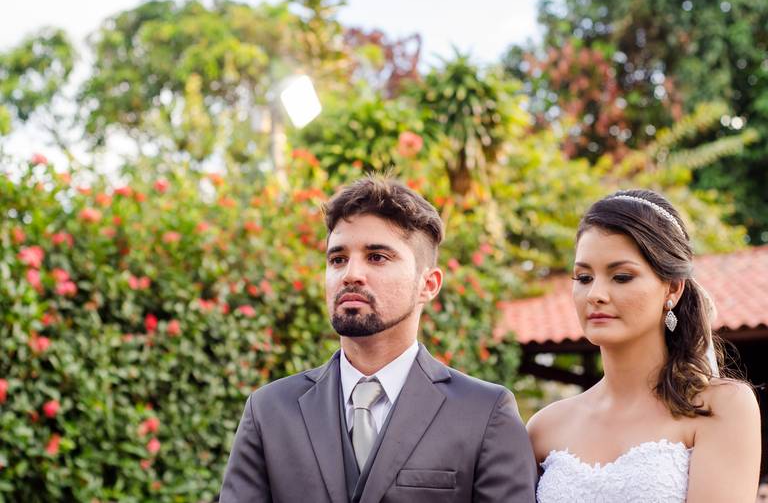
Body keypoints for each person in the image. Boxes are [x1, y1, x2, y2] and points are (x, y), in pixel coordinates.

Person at [220, 176, 537, 502]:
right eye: (337, 259)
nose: (350, 274)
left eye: (377, 257)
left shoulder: (485, 414)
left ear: (428, 284)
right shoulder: (269, 411)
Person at [528, 189, 761, 502]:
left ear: (673, 288)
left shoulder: (720, 407)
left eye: (621, 277)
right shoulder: (544, 428)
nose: (596, 294)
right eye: (583, 277)